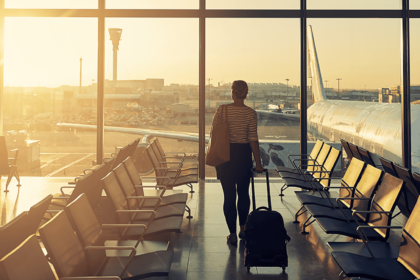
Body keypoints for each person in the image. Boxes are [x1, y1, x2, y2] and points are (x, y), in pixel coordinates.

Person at [211, 80, 263, 246]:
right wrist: (259, 163)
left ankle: (232, 235)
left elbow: (214, 132)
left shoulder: (222, 109)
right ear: (246, 94)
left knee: (229, 196)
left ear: (232, 93)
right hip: (243, 155)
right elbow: (253, 139)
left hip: (225, 155)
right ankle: (243, 229)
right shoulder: (250, 113)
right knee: (243, 193)